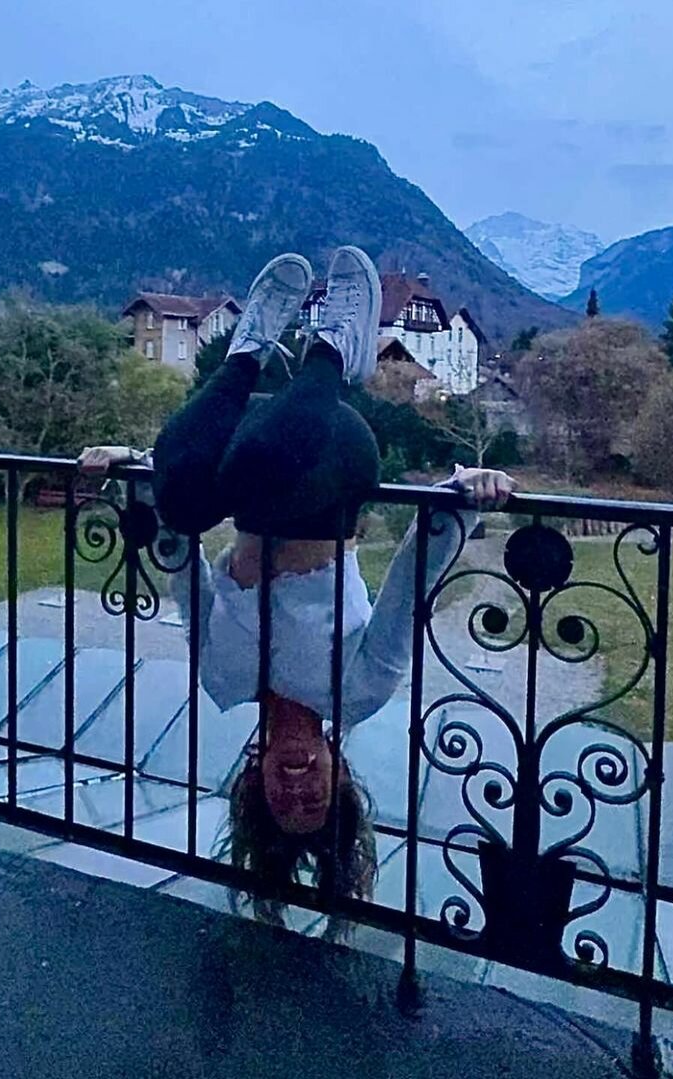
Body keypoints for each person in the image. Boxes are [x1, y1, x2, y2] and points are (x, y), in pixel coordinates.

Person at [79, 248, 514, 932]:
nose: (297, 787)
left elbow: (180, 562)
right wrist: (464, 497)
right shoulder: (358, 690)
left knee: (185, 496)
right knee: (260, 462)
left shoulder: (223, 680)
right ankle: (333, 352)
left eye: (283, 802)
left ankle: (248, 349)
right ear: (340, 775)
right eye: (316, 798)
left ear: (253, 780)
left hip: (259, 456)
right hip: (328, 458)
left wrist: (135, 474)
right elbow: (408, 585)